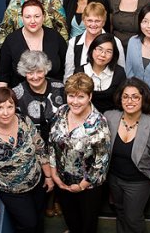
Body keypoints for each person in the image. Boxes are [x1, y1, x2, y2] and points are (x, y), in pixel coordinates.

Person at [0, 87, 53, 233]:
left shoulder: (24, 121)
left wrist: (48, 176)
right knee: (29, 224)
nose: (5, 112)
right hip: (12, 192)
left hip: (37, 182)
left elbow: (40, 147)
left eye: (10, 106)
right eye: (0, 107)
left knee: (39, 218)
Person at [49, 72, 111, 233]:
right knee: (71, 220)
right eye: (71, 96)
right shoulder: (61, 112)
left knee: (87, 225)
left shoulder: (98, 122)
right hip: (62, 181)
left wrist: (82, 185)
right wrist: (54, 173)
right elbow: (51, 143)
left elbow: (102, 161)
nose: (75, 102)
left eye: (80, 97)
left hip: (88, 187)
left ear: (90, 96)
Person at [105, 77, 150, 233]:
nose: (129, 101)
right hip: (114, 178)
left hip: (138, 181)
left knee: (133, 217)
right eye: (125, 96)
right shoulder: (110, 117)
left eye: (135, 97)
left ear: (143, 99)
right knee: (120, 211)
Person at [14, 49, 65, 217]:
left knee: (61, 174)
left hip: (60, 144)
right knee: (42, 181)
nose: (35, 76)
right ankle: (46, 205)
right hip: (33, 148)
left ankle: (58, 202)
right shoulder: (16, 93)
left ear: (45, 70)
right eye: (30, 72)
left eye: (39, 71)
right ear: (24, 73)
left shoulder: (60, 88)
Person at [0, 0, 67, 87]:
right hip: (20, 97)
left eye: (37, 16)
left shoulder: (55, 37)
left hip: (55, 95)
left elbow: (68, 68)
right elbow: (3, 77)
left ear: (43, 17)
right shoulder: (11, 40)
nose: (32, 21)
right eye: (28, 17)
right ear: (22, 18)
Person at [64, 2, 125, 81]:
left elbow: (121, 71)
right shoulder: (74, 42)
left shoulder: (115, 42)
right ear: (84, 21)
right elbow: (69, 74)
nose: (93, 24)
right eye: (89, 20)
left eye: (97, 21)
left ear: (103, 22)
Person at [75, 33, 126, 113]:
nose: (103, 55)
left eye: (108, 51)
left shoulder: (119, 73)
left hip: (112, 118)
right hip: (84, 117)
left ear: (113, 55)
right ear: (92, 50)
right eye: (99, 49)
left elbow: (122, 101)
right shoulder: (80, 72)